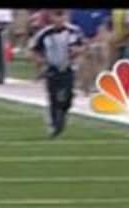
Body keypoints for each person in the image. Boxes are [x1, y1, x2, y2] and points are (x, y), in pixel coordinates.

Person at [30, 10, 86, 139]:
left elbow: (83, 45)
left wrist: (77, 51)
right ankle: (56, 124)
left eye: (62, 16)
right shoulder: (44, 33)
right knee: (53, 97)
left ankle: (62, 113)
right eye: (57, 16)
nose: (60, 19)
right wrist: (40, 62)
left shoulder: (74, 31)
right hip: (52, 68)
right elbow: (34, 49)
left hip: (68, 68)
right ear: (51, 17)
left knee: (68, 97)